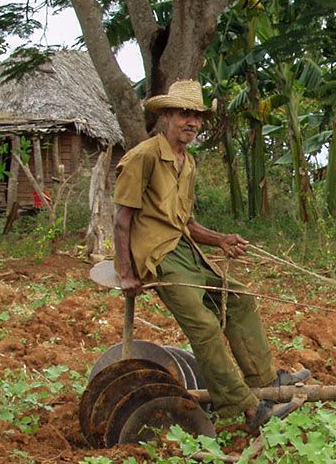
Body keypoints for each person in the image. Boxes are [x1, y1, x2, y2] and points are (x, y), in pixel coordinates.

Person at [112, 79, 309, 432]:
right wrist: (127, 274)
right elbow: (121, 219)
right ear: (168, 116)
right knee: (203, 326)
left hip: (184, 250)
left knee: (239, 299)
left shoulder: (187, 163)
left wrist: (220, 240)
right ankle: (248, 409)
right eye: (184, 114)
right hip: (158, 256)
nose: (191, 122)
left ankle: (265, 382)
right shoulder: (143, 157)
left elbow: (185, 222)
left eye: (197, 116)